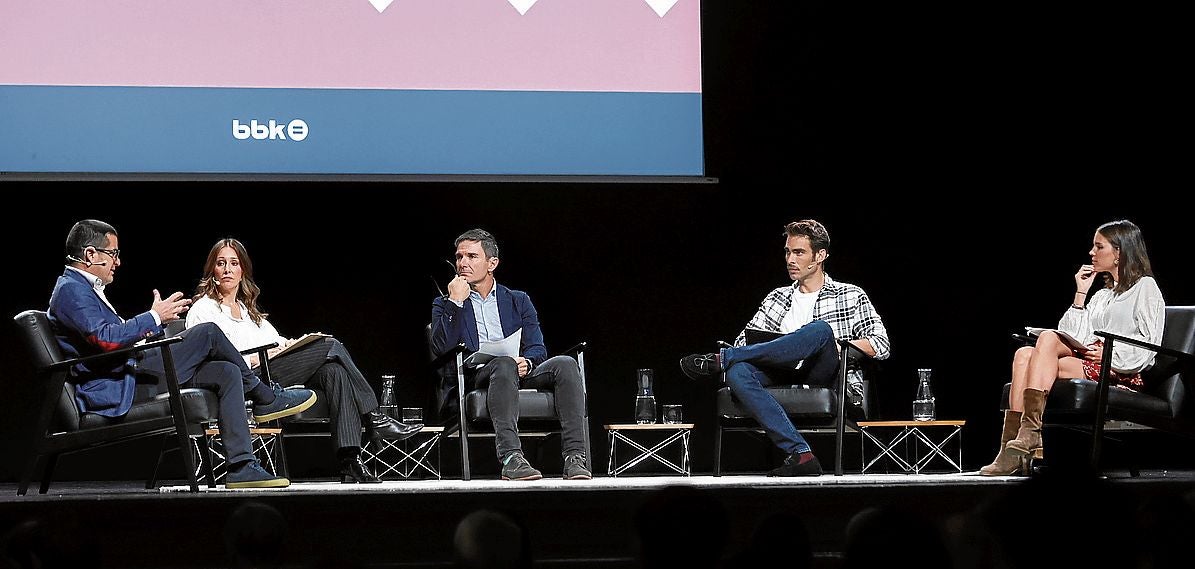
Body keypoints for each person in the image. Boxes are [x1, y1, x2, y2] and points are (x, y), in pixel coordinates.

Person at [47, 220, 315, 489]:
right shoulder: (71, 289)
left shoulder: (83, 289)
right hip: (120, 385)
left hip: (130, 371)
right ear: (90, 254)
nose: (118, 262)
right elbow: (105, 339)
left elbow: (110, 337)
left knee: (226, 371)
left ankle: (241, 466)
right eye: (113, 253)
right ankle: (265, 396)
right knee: (207, 332)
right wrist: (153, 317)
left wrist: (150, 329)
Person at [186, 238, 423, 483]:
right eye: (221, 263)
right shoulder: (204, 308)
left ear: (242, 269)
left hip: (273, 369)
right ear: (212, 270)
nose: (227, 269)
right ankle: (374, 417)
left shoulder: (249, 311)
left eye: (233, 263)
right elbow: (207, 354)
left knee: (334, 371)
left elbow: (276, 340)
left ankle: (350, 460)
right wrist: (260, 357)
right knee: (331, 345)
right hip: (248, 380)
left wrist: (290, 345)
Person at [679, 219, 890, 476]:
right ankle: (801, 454)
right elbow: (744, 342)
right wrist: (775, 347)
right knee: (737, 373)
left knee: (820, 330)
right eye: (788, 252)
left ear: (820, 255)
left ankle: (723, 359)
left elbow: (880, 344)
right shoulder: (777, 297)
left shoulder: (850, 295)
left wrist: (834, 343)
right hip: (779, 369)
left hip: (823, 372)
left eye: (799, 252)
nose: (790, 259)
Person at [980, 219, 1165, 476]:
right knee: (1024, 354)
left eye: (1099, 247)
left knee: (1042, 346)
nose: (1091, 253)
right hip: (1088, 360)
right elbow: (1075, 335)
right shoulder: (1102, 295)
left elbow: (1149, 344)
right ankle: (1013, 446)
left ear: (1120, 252)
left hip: (1121, 370)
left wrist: (1111, 355)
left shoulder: (1145, 287)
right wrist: (1081, 294)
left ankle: (1027, 439)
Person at [430, 229, 590, 481]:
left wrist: (526, 362)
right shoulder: (446, 302)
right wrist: (455, 303)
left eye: (472, 256)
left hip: (519, 370)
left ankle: (574, 457)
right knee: (502, 363)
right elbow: (441, 347)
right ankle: (511, 458)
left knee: (566, 364)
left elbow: (537, 348)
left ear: (492, 263)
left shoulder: (518, 300)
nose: (462, 263)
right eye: (459, 256)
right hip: (477, 375)